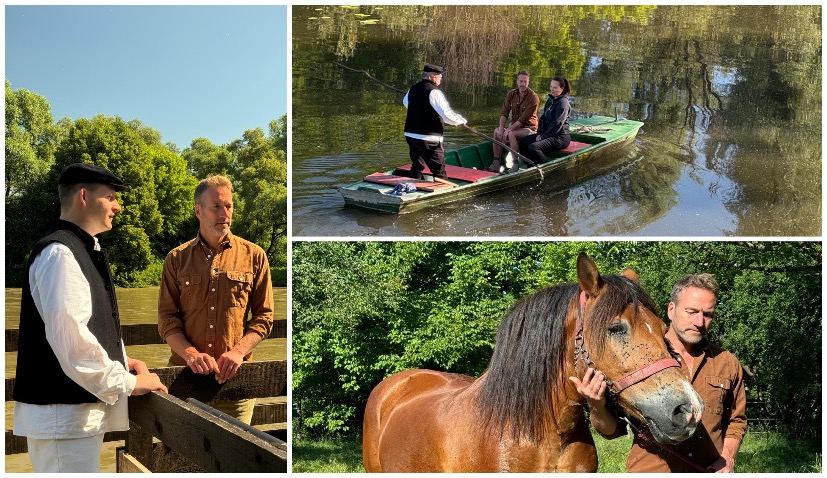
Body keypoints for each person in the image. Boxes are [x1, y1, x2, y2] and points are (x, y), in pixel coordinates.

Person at [13, 163, 168, 473]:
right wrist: (130, 382)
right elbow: (73, 345)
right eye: (110, 197)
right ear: (84, 196)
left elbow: (83, 330)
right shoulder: (61, 254)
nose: (117, 206)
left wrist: (122, 359)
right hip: (64, 421)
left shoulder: (77, 249)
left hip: (71, 421)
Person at [571, 273, 747, 472]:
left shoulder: (727, 362)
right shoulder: (636, 356)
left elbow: (736, 421)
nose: (699, 321)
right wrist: (596, 405)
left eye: (708, 314)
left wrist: (728, 459)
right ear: (671, 310)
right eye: (691, 311)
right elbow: (611, 431)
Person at [158, 174, 274, 425]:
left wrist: (238, 352)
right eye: (216, 207)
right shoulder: (176, 259)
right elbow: (167, 319)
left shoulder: (255, 256)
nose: (225, 213)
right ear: (198, 211)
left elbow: (264, 317)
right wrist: (190, 354)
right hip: (183, 377)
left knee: (237, 458)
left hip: (237, 382)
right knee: (181, 457)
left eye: (229, 206)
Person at [402, 63, 468, 184]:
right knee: (439, 170)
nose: (441, 78)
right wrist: (460, 121)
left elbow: (406, 103)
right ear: (432, 76)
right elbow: (446, 114)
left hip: (411, 135)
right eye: (440, 76)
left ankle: (410, 187)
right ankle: (444, 194)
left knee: (417, 165)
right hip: (429, 138)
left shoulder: (413, 88)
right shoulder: (434, 92)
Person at [488, 70, 539, 173]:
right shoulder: (511, 94)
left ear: (528, 82)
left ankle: (515, 164)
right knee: (497, 131)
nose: (523, 84)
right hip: (515, 126)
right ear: (517, 81)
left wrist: (509, 130)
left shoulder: (533, 97)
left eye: (525, 82)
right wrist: (502, 129)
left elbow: (523, 120)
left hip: (529, 128)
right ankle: (496, 162)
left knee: (511, 134)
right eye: (521, 81)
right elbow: (504, 113)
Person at [518, 77, 572, 169]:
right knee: (523, 142)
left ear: (561, 89)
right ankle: (530, 165)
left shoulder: (563, 103)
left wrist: (543, 137)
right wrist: (539, 133)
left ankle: (546, 166)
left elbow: (558, 124)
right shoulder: (550, 100)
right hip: (547, 134)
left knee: (533, 147)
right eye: (551, 87)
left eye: (555, 87)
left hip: (559, 137)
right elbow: (542, 119)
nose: (552, 89)